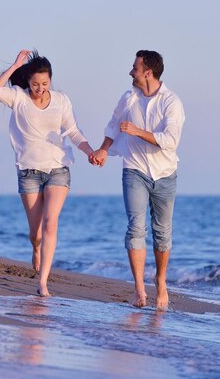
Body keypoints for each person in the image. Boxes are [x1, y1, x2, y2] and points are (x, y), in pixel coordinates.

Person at [0, 49, 95, 297]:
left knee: (51, 222)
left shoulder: (61, 100)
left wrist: (89, 151)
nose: (40, 89)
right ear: (28, 81)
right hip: (29, 171)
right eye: (35, 84)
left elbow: (73, 131)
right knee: (36, 233)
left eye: (45, 84)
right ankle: (36, 248)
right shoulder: (18, 97)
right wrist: (15, 65)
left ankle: (44, 282)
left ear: (51, 80)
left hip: (58, 168)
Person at [92, 50, 185, 310]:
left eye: (134, 68)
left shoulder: (172, 102)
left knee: (162, 232)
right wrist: (102, 150)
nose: (130, 72)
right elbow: (113, 125)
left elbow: (170, 141)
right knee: (136, 227)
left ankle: (161, 281)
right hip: (134, 169)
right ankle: (139, 289)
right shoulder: (128, 98)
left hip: (165, 174)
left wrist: (137, 131)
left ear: (148, 72)